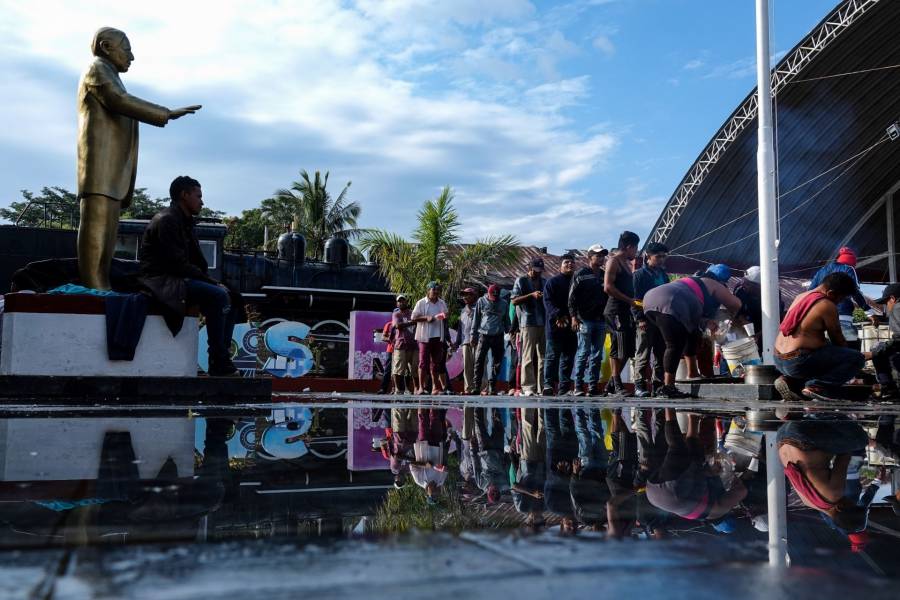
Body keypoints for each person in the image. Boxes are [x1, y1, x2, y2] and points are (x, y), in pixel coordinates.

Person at [77, 27, 201, 290]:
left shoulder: (110, 74)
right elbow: (119, 100)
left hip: (111, 173)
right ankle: (94, 287)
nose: (131, 56)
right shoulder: (96, 68)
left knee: (108, 235)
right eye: (127, 49)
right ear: (106, 46)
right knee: (97, 231)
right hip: (99, 169)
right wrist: (166, 113)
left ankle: (101, 285)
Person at [140, 176, 241, 376]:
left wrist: (216, 282)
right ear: (184, 195)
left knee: (234, 297)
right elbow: (176, 264)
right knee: (218, 296)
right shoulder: (167, 220)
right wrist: (212, 283)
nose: (202, 202)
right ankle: (218, 360)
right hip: (161, 280)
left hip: (176, 276)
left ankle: (222, 356)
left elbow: (195, 263)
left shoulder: (184, 222)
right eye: (198, 196)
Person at [641, 264, 742, 398]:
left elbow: (695, 320)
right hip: (671, 302)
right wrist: (737, 320)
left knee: (690, 335)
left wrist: (706, 322)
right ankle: (668, 387)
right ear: (722, 281)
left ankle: (692, 373)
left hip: (650, 300)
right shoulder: (714, 283)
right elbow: (736, 304)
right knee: (674, 344)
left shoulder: (691, 282)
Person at [773, 272, 865, 401]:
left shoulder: (800, 296)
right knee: (856, 358)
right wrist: (850, 361)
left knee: (822, 351)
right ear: (831, 293)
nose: (839, 303)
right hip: (799, 361)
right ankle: (818, 387)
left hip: (779, 359)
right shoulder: (826, 304)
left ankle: (790, 381)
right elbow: (837, 338)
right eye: (841, 299)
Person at [646, 409, 747, 523]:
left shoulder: (719, 511)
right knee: (696, 456)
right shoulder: (700, 511)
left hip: (673, 493)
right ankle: (693, 416)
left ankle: (668, 404)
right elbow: (698, 472)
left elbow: (741, 491)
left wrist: (735, 479)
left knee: (677, 447)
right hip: (653, 494)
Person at [777, 417, 870, 535]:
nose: (851, 500)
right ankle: (800, 417)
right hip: (781, 436)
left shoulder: (834, 494)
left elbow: (844, 456)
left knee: (860, 441)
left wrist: (862, 450)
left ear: (840, 508)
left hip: (800, 435)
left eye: (853, 504)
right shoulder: (809, 503)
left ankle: (822, 414)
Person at [808, 248, 871, 346]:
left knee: (828, 350)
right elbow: (855, 291)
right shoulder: (848, 269)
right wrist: (869, 312)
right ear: (852, 262)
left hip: (820, 317)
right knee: (848, 350)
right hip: (842, 317)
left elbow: (811, 291)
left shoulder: (822, 270)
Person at [604, 231, 641, 395]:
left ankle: (611, 383)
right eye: (636, 248)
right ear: (629, 247)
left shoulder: (626, 263)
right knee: (616, 347)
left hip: (627, 311)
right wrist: (629, 300)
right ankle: (617, 384)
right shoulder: (613, 261)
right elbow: (608, 287)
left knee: (628, 349)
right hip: (615, 310)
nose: (636, 252)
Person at [569, 245, 609, 396]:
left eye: (602, 256)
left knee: (597, 355)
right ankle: (578, 386)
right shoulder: (581, 274)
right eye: (597, 255)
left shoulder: (604, 275)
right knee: (583, 353)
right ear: (589, 257)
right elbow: (572, 297)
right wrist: (573, 317)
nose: (601, 258)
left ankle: (593, 386)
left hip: (600, 320)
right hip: (584, 320)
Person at [632, 243, 670, 397]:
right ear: (648, 256)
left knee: (661, 353)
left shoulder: (663, 274)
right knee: (643, 353)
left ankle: (658, 384)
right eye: (658, 256)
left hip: (661, 320)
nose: (661, 260)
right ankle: (640, 385)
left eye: (663, 256)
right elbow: (634, 299)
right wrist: (640, 318)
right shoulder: (639, 275)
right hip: (645, 319)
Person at [511, 257, 547, 396]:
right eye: (536, 270)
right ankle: (528, 387)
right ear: (530, 268)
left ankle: (542, 387)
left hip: (543, 322)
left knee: (543, 357)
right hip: (528, 322)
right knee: (528, 357)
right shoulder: (521, 280)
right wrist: (531, 295)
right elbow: (514, 301)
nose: (539, 273)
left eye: (540, 270)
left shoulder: (544, 281)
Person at [543, 254, 578, 396]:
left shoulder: (577, 282)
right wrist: (558, 315)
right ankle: (548, 385)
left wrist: (575, 318)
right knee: (552, 357)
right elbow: (547, 302)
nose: (569, 264)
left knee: (568, 358)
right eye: (566, 262)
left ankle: (564, 387)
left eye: (572, 262)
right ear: (560, 265)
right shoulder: (552, 282)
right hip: (555, 326)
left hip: (572, 326)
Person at [733, 265, 785, 354]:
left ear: (759, 286)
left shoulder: (773, 293)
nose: (743, 285)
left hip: (766, 328)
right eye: (743, 281)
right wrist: (745, 323)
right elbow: (736, 311)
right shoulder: (740, 290)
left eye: (747, 283)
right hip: (746, 327)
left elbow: (775, 319)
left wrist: (758, 335)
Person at [411, 282, 449, 394]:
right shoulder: (421, 303)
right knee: (423, 362)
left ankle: (435, 387)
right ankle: (421, 388)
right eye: (434, 290)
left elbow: (446, 314)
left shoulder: (442, 303)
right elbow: (413, 318)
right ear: (428, 290)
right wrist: (426, 318)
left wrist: (445, 315)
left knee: (436, 363)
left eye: (437, 290)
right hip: (424, 337)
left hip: (438, 336)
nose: (436, 292)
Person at [472, 284, 511, 395]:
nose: (494, 299)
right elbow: (476, 319)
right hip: (484, 335)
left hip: (498, 335)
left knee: (497, 363)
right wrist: (473, 335)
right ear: (488, 294)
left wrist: (510, 332)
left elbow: (506, 320)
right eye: (492, 297)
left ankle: (492, 386)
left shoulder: (503, 303)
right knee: (479, 361)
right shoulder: (481, 301)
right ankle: (476, 386)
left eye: (496, 297)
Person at [868, 283, 900, 399]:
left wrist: (873, 353)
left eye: (886, 303)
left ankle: (888, 389)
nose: (886, 307)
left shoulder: (897, 308)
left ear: (892, 299)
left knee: (877, 347)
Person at [390, 295, 418, 394]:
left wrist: (415, 321)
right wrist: (413, 322)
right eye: (399, 301)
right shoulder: (396, 314)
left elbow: (419, 322)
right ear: (397, 303)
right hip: (400, 345)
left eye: (403, 301)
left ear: (407, 302)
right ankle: (398, 390)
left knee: (415, 368)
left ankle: (416, 389)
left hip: (414, 344)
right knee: (398, 369)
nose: (401, 303)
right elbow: (398, 326)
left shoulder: (413, 313)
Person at [454, 287, 478, 395]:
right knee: (467, 367)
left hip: (478, 342)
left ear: (474, 296)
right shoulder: (463, 311)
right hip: (465, 342)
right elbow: (460, 329)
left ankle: (482, 388)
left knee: (479, 365)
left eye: (468, 294)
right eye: (464, 295)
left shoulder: (479, 308)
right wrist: (457, 343)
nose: (465, 297)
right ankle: (468, 389)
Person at [378, 320, 394, 394]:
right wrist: (391, 340)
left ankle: (397, 389)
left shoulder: (406, 323)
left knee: (400, 372)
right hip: (391, 350)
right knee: (388, 370)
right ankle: (383, 389)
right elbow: (383, 337)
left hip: (404, 350)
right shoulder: (389, 324)